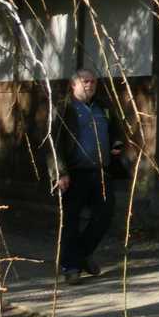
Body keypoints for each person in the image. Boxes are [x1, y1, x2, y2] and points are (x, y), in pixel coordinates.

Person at [50, 68, 126, 284]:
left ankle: (81, 254)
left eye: (93, 82)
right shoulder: (64, 109)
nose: (90, 85)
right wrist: (60, 172)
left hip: (101, 171)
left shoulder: (103, 107)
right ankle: (71, 267)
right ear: (73, 85)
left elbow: (115, 131)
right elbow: (53, 143)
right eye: (85, 81)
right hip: (74, 173)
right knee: (71, 221)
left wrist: (116, 144)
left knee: (105, 215)